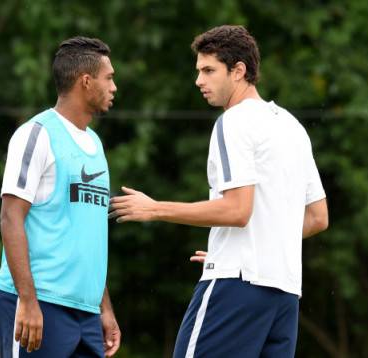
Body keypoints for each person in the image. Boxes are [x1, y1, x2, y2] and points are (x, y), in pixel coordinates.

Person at [110, 25, 328, 358]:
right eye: (199, 71)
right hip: (284, 296)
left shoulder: (234, 121)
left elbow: (237, 211)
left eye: (209, 70)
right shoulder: (292, 126)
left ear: (239, 71)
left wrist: (154, 209)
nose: (199, 80)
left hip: (236, 287)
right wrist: (255, 250)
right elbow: (317, 217)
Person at [0, 36, 120, 358]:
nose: (114, 87)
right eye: (109, 78)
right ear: (86, 81)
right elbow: (10, 217)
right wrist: (28, 301)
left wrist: (104, 308)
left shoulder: (95, 144)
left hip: (86, 312)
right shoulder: (36, 134)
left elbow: (88, 236)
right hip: (39, 304)